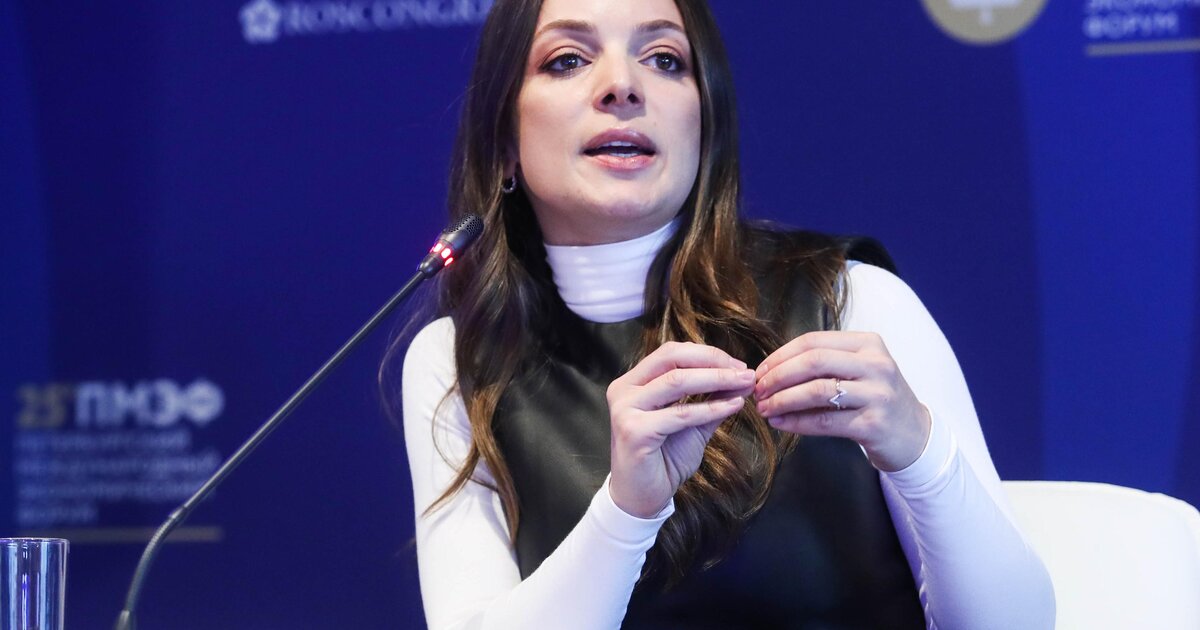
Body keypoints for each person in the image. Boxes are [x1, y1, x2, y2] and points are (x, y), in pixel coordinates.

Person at [389, 0, 1056, 628]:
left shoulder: (851, 298)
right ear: (504, 138)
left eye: (664, 59)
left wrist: (919, 451)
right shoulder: (460, 362)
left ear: (706, 123)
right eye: (568, 60)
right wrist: (626, 513)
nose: (622, 86)